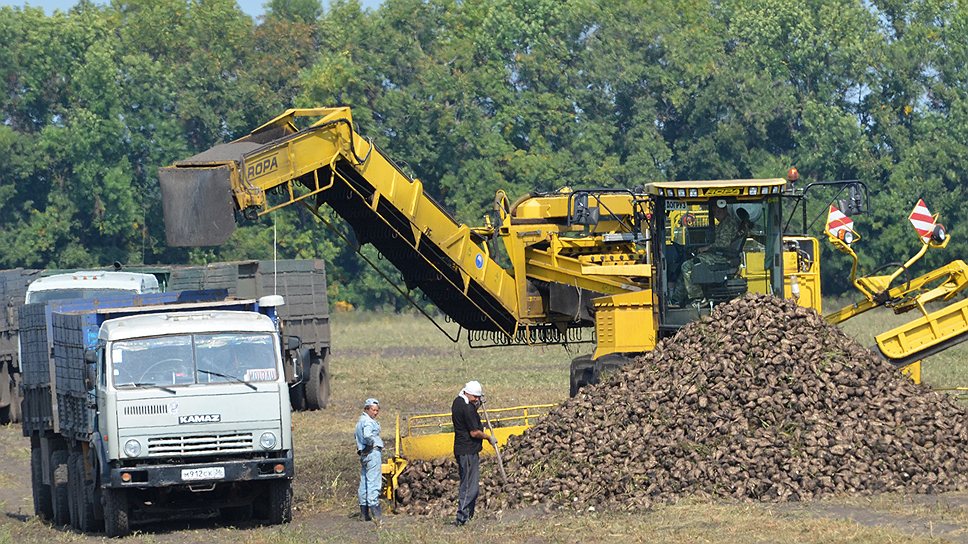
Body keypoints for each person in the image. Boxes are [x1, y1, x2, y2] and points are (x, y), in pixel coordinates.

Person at [675, 200, 750, 305]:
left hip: (723, 257)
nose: (715, 214)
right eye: (714, 212)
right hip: (720, 255)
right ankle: (677, 299)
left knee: (687, 266)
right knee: (692, 263)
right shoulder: (724, 223)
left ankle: (698, 297)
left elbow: (723, 244)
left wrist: (705, 248)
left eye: (716, 212)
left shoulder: (728, 223)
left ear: (722, 209)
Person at [451, 380, 496, 527]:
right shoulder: (467, 408)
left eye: (478, 397)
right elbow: (474, 432)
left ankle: (468, 515)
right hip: (467, 451)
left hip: (462, 449)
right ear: (467, 393)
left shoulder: (457, 402)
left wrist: (476, 406)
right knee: (470, 486)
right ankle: (462, 517)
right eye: (475, 397)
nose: (477, 399)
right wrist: (488, 437)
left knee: (470, 484)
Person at [355, 398, 384, 525]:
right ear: (366, 409)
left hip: (364, 454)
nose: (376, 413)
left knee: (364, 482)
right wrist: (371, 443)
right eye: (373, 410)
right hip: (372, 453)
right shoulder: (368, 422)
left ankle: (364, 513)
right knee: (374, 481)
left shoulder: (359, 421)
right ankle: (376, 514)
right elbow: (367, 435)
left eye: (377, 410)